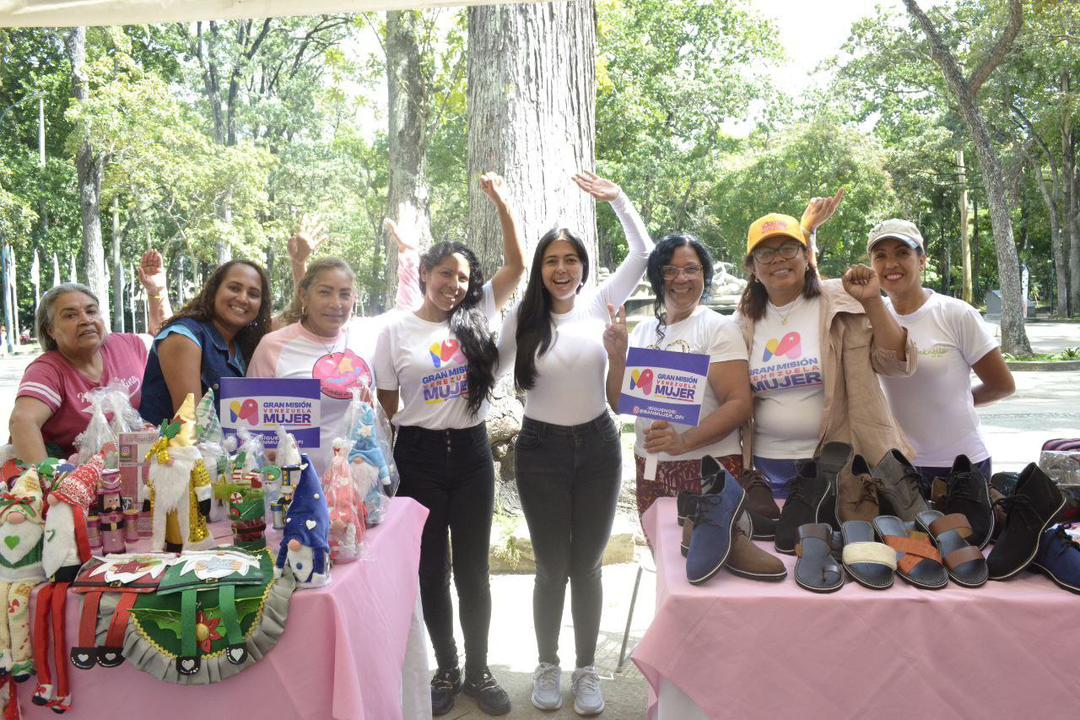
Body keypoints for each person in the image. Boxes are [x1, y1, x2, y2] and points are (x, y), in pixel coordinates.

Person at [496, 172, 651, 716]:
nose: (561, 270)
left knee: (586, 566)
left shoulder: (603, 302)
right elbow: (484, 366)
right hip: (539, 450)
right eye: (551, 261)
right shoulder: (524, 317)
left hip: (599, 449)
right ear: (540, 270)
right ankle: (547, 664)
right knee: (550, 566)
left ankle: (586, 670)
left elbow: (644, 252)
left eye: (570, 260)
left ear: (583, 265)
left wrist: (619, 199)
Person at [373, 172, 525, 718]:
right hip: (416, 456)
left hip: (471, 454)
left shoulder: (477, 315)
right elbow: (387, 401)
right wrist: (421, 426)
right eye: (445, 274)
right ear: (425, 275)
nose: (454, 284)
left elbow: (517, 266)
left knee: (473, 571)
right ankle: (447, 667)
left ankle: (480, 670)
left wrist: (504, 205)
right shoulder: (394, 332)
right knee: (430, 568)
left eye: (462, 276)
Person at [734, 211, 914, 498]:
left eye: (788, 249)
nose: (778, 258)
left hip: (839, 462)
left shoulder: (842, 300)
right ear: (753, 269)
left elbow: (896, 364)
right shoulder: (742, 322)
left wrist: (872, 302)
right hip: (768, 465)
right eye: (765, 253)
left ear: (806, 257)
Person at [247, 219, 421, 478]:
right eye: (325, 292)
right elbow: (252, 423)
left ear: (355, 298)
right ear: (304, 295)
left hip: (360, 486)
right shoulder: (273, 346)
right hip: (296, 487)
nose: (335, 303)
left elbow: (408, 313)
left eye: (344, 294)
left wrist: (408, 255)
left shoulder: (367, 336)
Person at [604, 234, 752, 521]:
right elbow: (620, 404)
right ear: (657, 277)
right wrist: (617, 355)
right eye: (669, 270)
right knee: (662, 555)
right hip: (649, 466)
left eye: (691, 269)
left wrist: (683, 442)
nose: (680, 278)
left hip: (707, 467)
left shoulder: (718, 328)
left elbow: (739, 404)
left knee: (703, 558)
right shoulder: (645, 330)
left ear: (704, 275)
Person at [863, 217, 1014, 490]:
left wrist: (956, 400)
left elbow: (1002, 386)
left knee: (966, 534)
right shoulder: (869, 315)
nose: (891, 264)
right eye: (880, 256)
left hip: (959, 464)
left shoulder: (956, 313)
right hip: (896, 464)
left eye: (902, 253)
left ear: (922, 261)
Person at [10, 253, 170, 462]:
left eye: (91, 311)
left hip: (140, 469)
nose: (85, 320)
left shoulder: (125, 345)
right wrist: (47, 483)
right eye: (70, 315)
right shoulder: (48, 370)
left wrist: (156, 292)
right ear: (50, 330)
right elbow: (22, 421)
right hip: (79, 479)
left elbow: (166, 339)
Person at [139, 259, 272, 426]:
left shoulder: (243, 345)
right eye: (234, 288)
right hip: (178, 450)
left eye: (253, 294)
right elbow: (189, 424)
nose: (243, 298)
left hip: (227, 449)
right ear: (214, 291)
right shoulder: (183, 337)